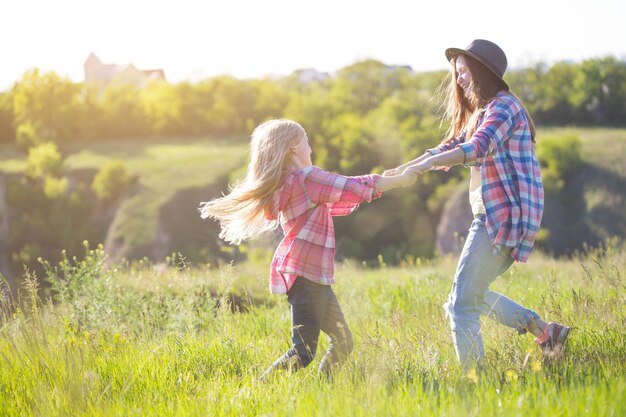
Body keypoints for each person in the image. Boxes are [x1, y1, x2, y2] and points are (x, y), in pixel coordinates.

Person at [385, 39, 570, 371]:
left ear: (482, 72)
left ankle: (475, 385)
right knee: (470, 293)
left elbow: (477, 148)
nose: (459, 81)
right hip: (492, 216)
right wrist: (401, 171)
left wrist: (421, 168)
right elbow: (448, 147)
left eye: (464, 72)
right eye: (456, 74)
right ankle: (545, 331)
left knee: (460, 305)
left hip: (501, 218)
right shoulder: (481, 113)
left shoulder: (504, 107)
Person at [199, 119, 417, 379]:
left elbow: (343, 193)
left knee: (343, 341)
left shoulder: (292, 183)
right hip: (308, 278)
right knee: (303, 351)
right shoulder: (306, 178)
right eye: (307, 142)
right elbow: (348, 187)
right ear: (293, 147)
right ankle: (263, 387)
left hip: (312, 278)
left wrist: (386, 179)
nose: (310, 148)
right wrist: (399, 182)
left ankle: (324, 389)